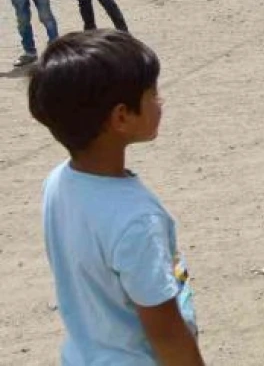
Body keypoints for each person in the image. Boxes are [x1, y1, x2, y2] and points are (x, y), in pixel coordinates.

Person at [32, 30, 203, 365]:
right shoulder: (136, 220)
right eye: (153, 93)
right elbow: (166, 332)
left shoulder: (58, 182)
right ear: (121, 117)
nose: (160, 101)